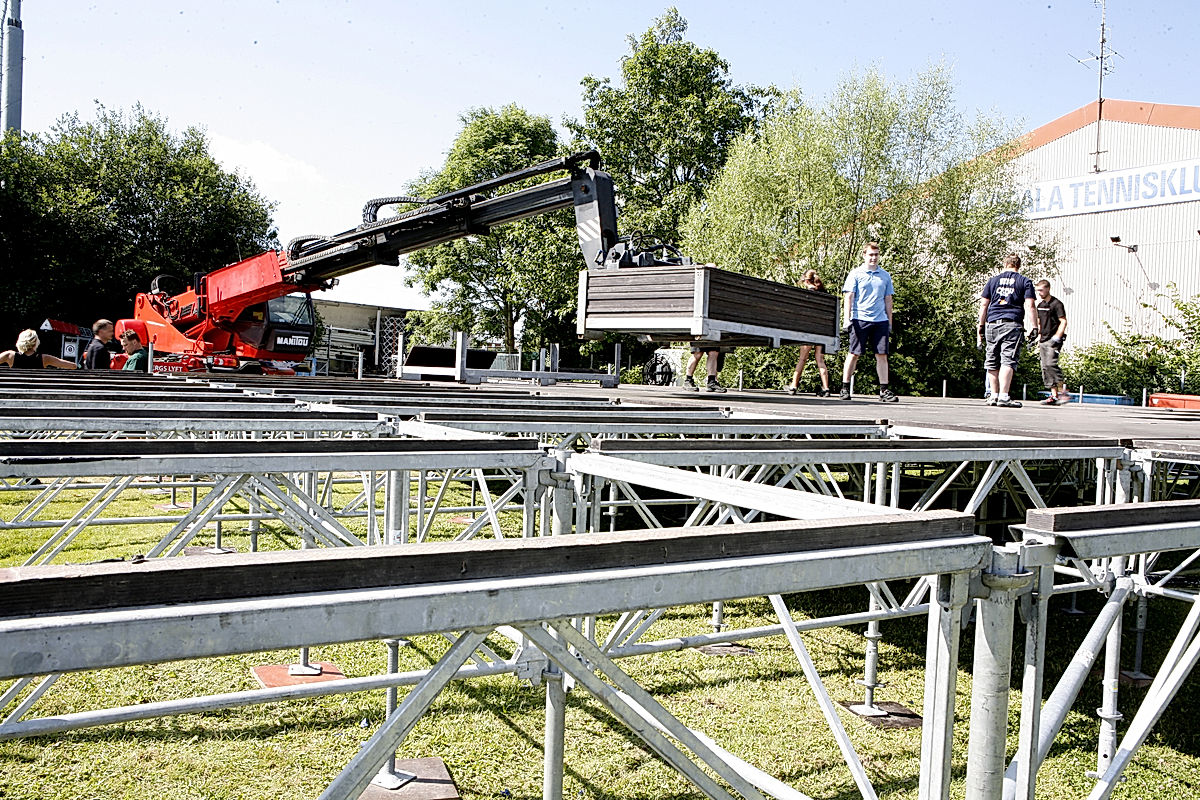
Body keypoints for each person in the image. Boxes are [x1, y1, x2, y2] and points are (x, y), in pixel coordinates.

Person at [977, 253, 1037, 408]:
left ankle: (993, 396)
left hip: (991, 323)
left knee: (992, 360)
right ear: (1018, 265)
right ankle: (1004, 396)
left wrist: (980, 326)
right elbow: (1030, 306)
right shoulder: (1025, 281)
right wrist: (1035, 327)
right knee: (1008, 360)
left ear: (1005, 264)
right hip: (1012, 324)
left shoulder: (993, 281)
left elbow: (984, 305)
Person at [839, 241, 897, 402]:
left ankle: (884, 390)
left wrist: (889, 322)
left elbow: (888, 299)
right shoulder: (856, 274)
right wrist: (846, 319)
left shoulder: (885, 275)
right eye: (871, 255)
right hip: (860, 319)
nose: (874, 258)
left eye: (876, 255)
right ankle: (844, 388)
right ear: (864, 255)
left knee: (882, 355)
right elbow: (848, 297)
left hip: (880, 320)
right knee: (854, 353)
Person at [788, 269, 831, 397]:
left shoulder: (807, 294)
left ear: (807, 281)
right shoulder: (824, 294)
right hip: (822, 331)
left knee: (802, 358)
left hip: (809, 330)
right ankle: (826, 388)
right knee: (820, 360)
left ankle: (793, 386)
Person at [1034, 279, 1069, 405]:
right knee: (1045, 367)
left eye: (1041, 290)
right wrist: (1035, 334)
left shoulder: (1056, 304)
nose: (1039, 293)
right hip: (1043, 339)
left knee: (1051, 364)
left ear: (1048, 289)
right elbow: (1039, 322)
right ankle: (1054, 396)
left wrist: (1057, 336)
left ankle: (1063, 392)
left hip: (1053, 339)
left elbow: (1063, 321)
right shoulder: (1040, 305)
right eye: (1037, 290)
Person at [0, 329, 79, 369]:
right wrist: (78, 365)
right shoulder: (44, 358)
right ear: (36, 343)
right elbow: (73, 366)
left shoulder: (10, 355)